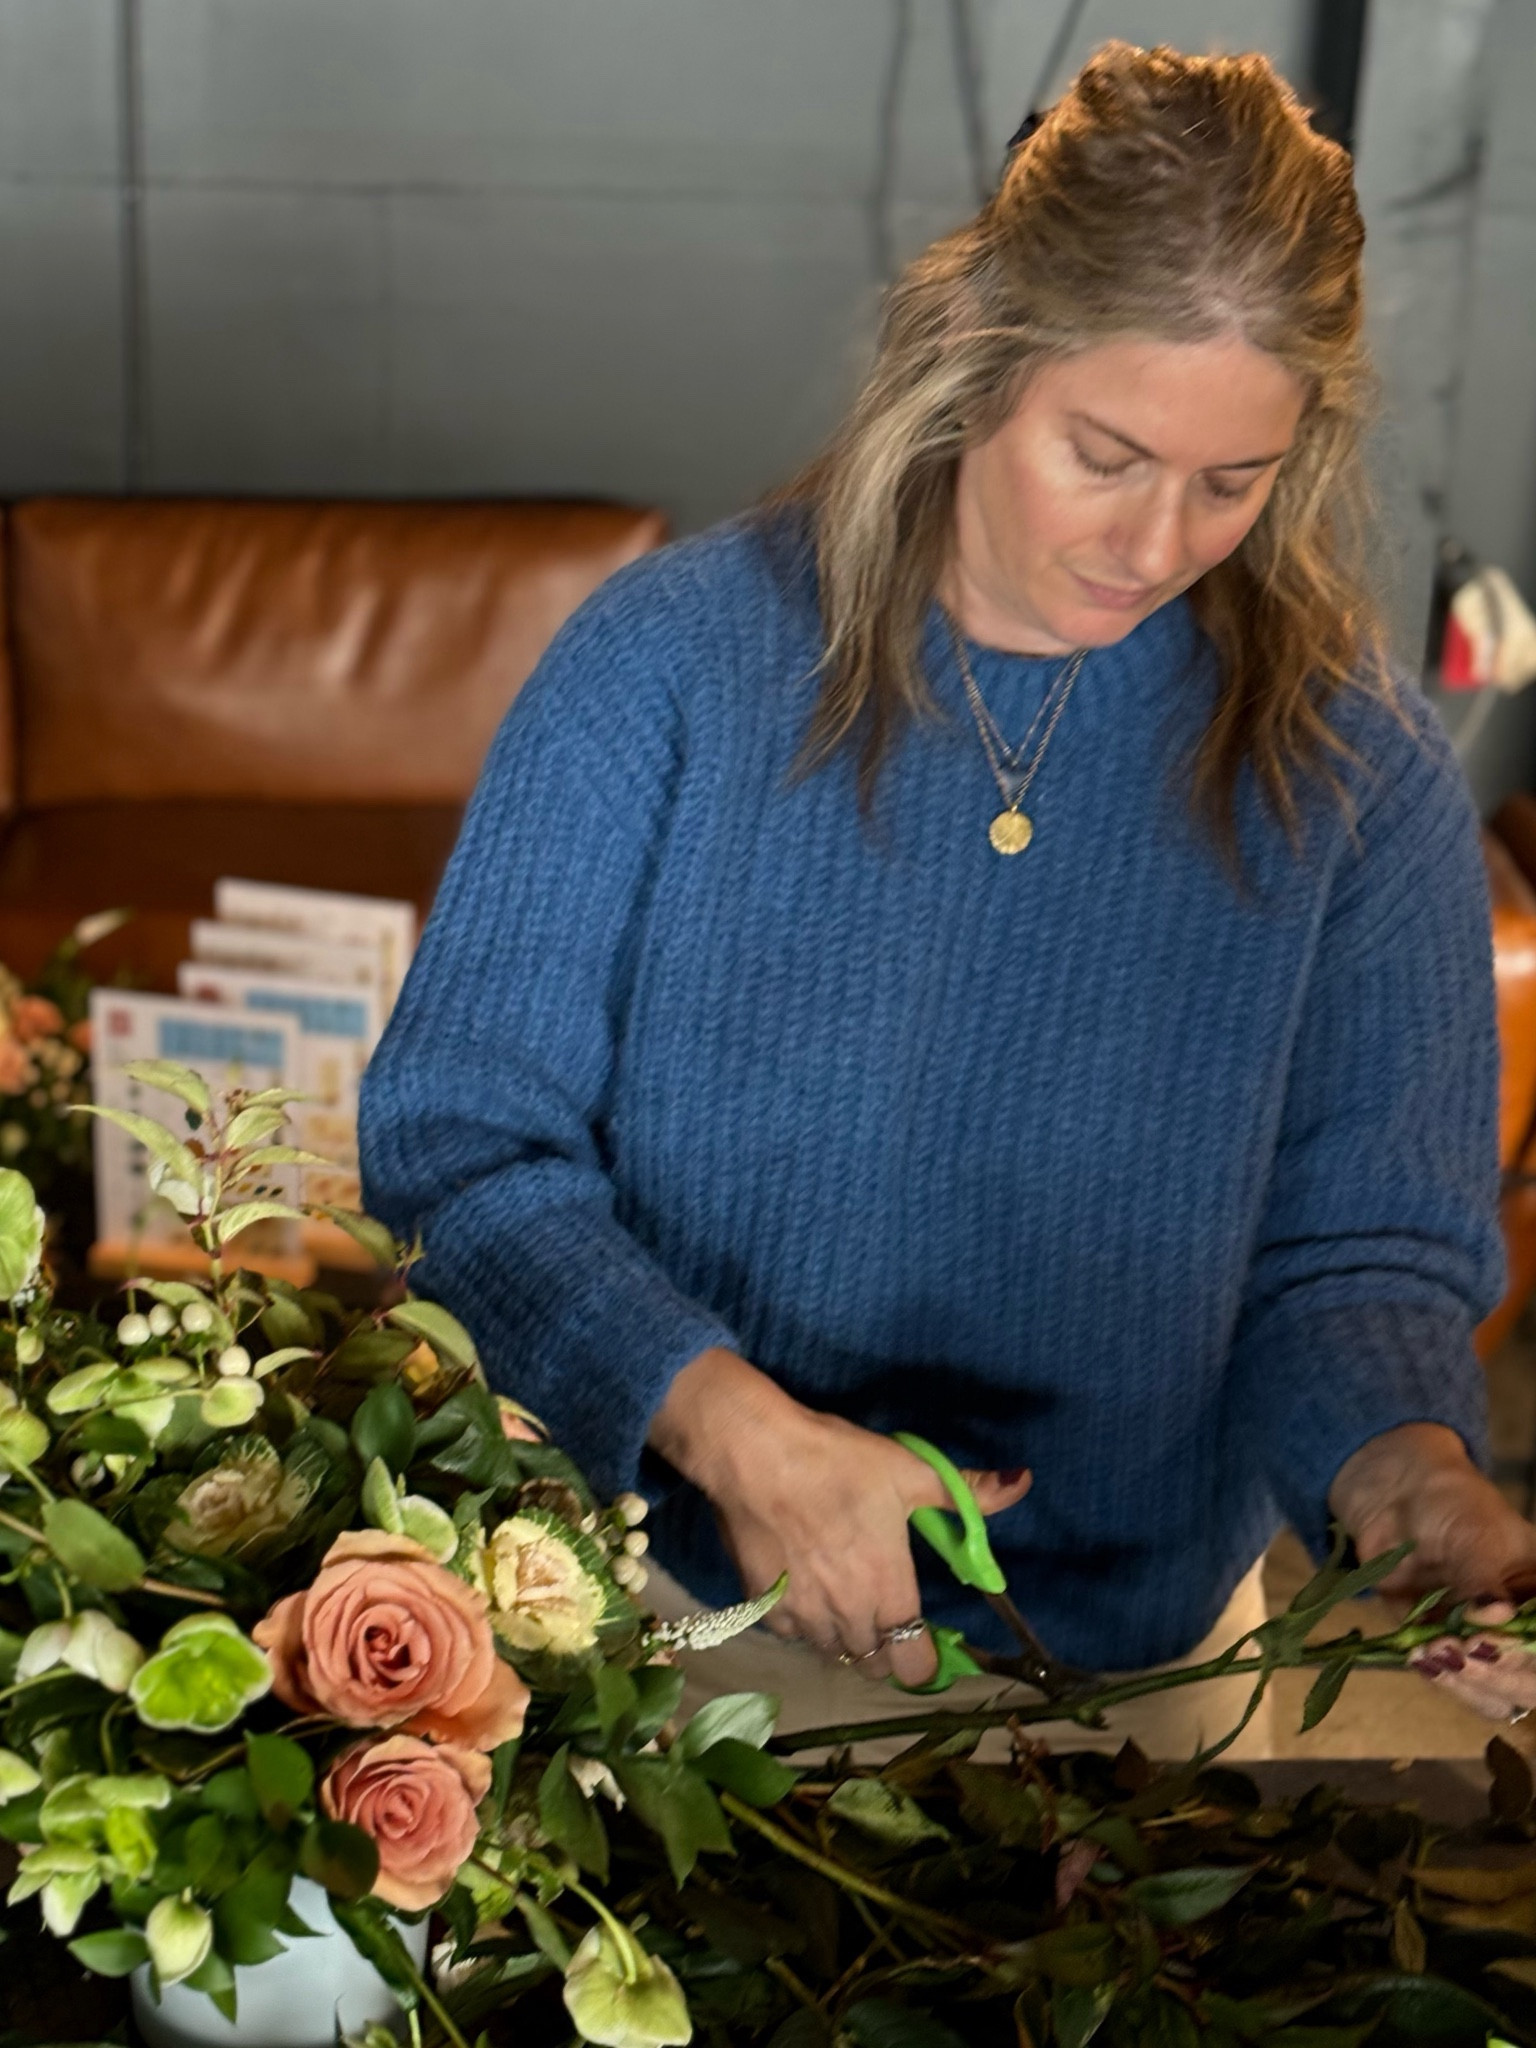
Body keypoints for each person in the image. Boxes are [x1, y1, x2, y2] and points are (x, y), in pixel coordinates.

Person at [359, 42, 1536, 1751]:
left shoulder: (1356, 771)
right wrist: (734, 1434)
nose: (1155, 548)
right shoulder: (666, 667)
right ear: (978, 356)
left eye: (1234, 482)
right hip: (696, 1620)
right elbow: (457, 1145)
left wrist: (1408, 1467)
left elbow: (1359, 1251)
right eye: (1108, 454)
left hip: (1147, 1672)